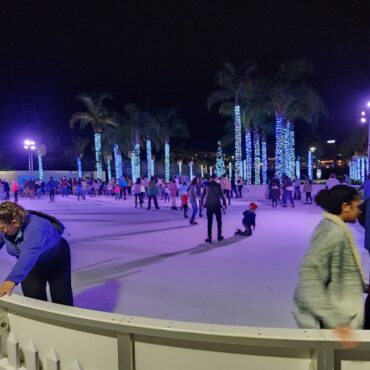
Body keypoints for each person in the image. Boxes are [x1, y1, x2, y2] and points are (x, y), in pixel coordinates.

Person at [293, 186, 366, 344]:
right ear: (345, 207)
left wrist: (361, 285)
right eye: (357, 206)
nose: (360, 211)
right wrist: (335, 322)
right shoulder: (334, 232)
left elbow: (337, 271)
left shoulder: (332, 227)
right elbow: (310, 272)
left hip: (343, 323)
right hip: (341, 326)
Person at [0, 202, 73, 306]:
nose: (1, 231)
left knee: (60, 296)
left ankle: (65, 321)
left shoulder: (36, 227)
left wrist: (11, 281)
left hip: (56, 259)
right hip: (32, 265)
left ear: (14, 222)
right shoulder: (3, 226)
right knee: (33, 298)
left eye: (2, 229)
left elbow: (29, 254)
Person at [200, 174, 227, 243]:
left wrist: (201, 203)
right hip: (217, 205)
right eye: (217, 178)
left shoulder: (206, 185)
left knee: (209, 222)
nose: (217, 179)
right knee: (219, 221)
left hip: (209, 206)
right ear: (215, 178)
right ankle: (219, 236)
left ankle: (209, 237)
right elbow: (221, 195)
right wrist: (224, 203)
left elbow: (203, 194)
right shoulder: (218, 185)